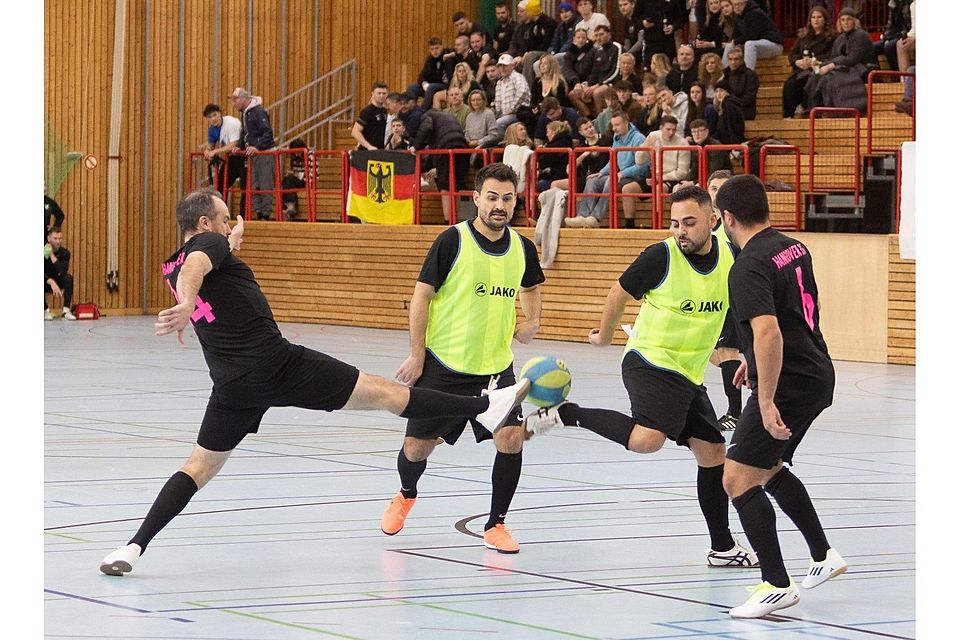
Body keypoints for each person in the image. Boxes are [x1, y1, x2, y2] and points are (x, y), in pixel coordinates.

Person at [98, 189, 531, 576]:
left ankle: (133, 547)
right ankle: (484, 407)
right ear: (206, 224)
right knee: (387, 393)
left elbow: (198, 264)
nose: (231, 225)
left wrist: (207, 272)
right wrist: (193, 291)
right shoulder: (204, 249)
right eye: (226, 218)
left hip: (233, 388)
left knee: (196, 469)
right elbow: (200, 261)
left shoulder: (173, 264)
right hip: (282, 366)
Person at [526, 186, 758, 570]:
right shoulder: (661, 256)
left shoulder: (731, 255)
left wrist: (746, 353)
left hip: (686, 372)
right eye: (674, 223)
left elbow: (743, 308)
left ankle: (722, 547)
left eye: (689, 223)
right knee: (648, 441)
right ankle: (570, 414)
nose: (680, 231)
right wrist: (603, 335)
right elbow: (618, 293)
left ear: (713, 221)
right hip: (649, 361)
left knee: (713, 453)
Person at [384, 163, 545, 554]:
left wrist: (533, 320)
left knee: (510, 441)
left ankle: (496, 524)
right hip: (444, 366)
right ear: (476, 199)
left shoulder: (522, 247)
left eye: (507, 198)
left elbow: (532, 284)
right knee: (417, 449)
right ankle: (406, 493)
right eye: (491, 197)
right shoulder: (452, 240)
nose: (499, 205)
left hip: (496, 370)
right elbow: (421, 296)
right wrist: (417, 355)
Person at [715, 173, 847, 618]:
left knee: (736, 478)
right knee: (768, 467)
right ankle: (823, 555)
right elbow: (792, 313)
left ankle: (775, 583)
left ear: (727, 218)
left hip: (789, 383)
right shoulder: (793, 246)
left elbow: (769, 330)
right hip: (814, 371)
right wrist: (751, 358)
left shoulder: (747, 265)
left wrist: (766, 399)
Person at [704, 170, 740, 430]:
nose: (717, 193)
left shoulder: (735, 224)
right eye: (713, 188)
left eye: (723, 188)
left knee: (728, 353)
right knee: (717, 355)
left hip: (734, 299)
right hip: (716, 301)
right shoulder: (711, 224)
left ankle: (735, 413)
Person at [567, 111, 644, 227]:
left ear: (626, 123)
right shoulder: (616, 138)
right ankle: (582, 216)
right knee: (592, 180)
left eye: (617, 125)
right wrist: (601, 172)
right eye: (613, 125)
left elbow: (643, 166)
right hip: (621, 175)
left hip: (635, 176)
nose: (614, 129)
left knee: (611, 180)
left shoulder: (639, 139)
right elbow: (613, 160)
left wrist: (622, 173)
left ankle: (595, 218)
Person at [622, 114, 690, 225]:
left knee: (659, 188)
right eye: (668, 129)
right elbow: (639, 161)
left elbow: (682, 172)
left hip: (671, 178)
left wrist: (660, 178)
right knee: (627, 189)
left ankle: (658, 224)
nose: (671, 133)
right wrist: (645, 146)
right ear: (661, 128)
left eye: (674, 130)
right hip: (653, 176)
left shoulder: (682, 143)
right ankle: (629, 225)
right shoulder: (653, 136)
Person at [803, 8, 873, 114]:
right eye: (843, 20)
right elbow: (834, 58)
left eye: (848, 19)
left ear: (855, 21)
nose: (845, 23)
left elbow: (852, 58)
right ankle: (813, 109)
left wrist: (830, 66)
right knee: (815, 74)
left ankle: (832, 111)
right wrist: (821, 64)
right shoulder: (840, 38)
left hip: (862, 68)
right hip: (843, 67)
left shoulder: (861, 35)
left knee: (828, 77)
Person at [227, 87, 277, 221]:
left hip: (264, 153)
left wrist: (257, 146)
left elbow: (268, 133)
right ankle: (259, 212)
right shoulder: (246, 113)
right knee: (254, 184)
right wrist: (239, 146)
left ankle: (265, 214)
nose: (234, 103)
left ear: (244, 98)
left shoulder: (258, 112)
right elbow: (245, 132)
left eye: (236, 100)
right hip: (253, 154)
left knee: (265, 183)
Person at [413, 108, 470, 223]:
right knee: (456, 186)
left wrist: (415, 147)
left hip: (446, 148)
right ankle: (455, 219)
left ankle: (447, 221)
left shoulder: (427, 115)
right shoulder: (447, 117)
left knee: (445, 186)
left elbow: (426, 128)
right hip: (463, 148)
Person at [782, 6, 836, 118]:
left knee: (808, 81)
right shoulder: (804, 36)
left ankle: (805, 109)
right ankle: (788, 115)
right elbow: (793, 53)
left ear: (825, 19)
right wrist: (797, 61)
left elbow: (831, 55)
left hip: (818, 69)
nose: (816, 20)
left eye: (819, 17)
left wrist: (814, 60)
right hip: (801, 69)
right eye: (813, 17)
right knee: (789, 84)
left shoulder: (831, 37)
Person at [568, 24, 621, 117]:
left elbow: (616, 71)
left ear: (609, 34)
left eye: (601, 34)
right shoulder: (599, 51)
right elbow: (594, 72)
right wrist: (587, 83)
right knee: (573, 94)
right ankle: (588, 117)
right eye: (596, 36)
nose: (598, 38)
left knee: (597, 93)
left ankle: (601, 120)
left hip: (613, 82)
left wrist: (598, 84)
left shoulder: (616, 47)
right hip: (598, 83)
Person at [201, 104, 244, 206]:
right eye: (210, 117)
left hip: (243, 155)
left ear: (220, 113)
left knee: (244, 187)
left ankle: (243, 216)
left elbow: (234, 144)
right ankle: (219, 211)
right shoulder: (212, 129)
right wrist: (207, 151)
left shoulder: (231, 122)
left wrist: (215, 151)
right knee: (220, 184)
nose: (213, 119)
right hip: (232, 157)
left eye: (215, 115)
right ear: (207, 119)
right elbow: (211, 144)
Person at [722, 0, 783, 70]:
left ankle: (748, 75)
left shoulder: (755, 13)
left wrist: (735, 41)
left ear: (746, 3)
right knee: (730, 46)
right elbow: (735, 35)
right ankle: (724, 76)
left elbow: (752, 36)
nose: (737, 7)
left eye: (739, 4)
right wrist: (731, 43)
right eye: (735, 5)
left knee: (749, 44)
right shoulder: (738, 17)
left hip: (773, 45)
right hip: (756, 47)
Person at [493, 54, 532, 139]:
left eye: (505, 66)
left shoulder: (517, 77)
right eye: (500, 66)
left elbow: (522, 91)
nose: (502, 69)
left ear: (512, 66)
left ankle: (505, 144)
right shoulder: (499, 82)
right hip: (504, 114)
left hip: (518, 113)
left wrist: (511, 109)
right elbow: (498, 103)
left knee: (499, 123)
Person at [44, 226, 75, 321]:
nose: (58, 241)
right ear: (48, 239)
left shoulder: (65, 253)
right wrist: (49, 281)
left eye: (60, 239)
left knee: (68, 278)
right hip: (46, 282)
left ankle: (66, 311)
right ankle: (45, 311)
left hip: (58, 282)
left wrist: (51, 255)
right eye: (55, 238)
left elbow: (62, 271)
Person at [409, 37, 449, 111]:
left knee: (431, 87)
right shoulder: (430, 60)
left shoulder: (448, 55)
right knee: (412, 87)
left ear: (442, 47)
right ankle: (411, 110)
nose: (435, 51)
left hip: (446, 85)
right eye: (432, 49)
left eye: (437, 48)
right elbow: (421, 76)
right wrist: (424, 83)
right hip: (432, 87)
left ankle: (422, 111)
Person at [723, 45, 760, 120]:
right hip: (728, 109)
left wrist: (732, 101)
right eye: (730, 59)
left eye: (736, 59)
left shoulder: (750, 75)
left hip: (745, 110)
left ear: (741, 60)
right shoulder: (724, 75)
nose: (733, 62)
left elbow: (749, 97)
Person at [875, 0, 913, 72]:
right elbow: (890, 25)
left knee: (889, 47)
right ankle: (878, 77)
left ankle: (896, 75)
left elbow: (911, 27)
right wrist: (886, 37)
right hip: (895, 34)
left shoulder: (911, 3)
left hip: (908, 34)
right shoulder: (893, 3)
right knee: (873, 47)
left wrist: (893, 37)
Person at [352, 81, 390, 151]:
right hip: (367, 152)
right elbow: (355, 132)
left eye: (384, 93)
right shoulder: (367, 111)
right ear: (373, 94)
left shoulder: (384, 111)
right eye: (379, 93)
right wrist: (368, 146)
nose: (381, 96)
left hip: (379, 151)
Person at [279, 137, 309, 220]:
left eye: (297, 152)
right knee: (286, 181)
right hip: (295, 179)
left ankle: (289, 206)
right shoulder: (294, 155)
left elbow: (312, 173)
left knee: (288, 180)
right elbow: (293, 169)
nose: (296, 154)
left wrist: (295, 174)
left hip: (305, 181)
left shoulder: (309, 154)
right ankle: (290, 208)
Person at [713, 79, 746, 144]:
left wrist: (734, 145)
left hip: (730, 143)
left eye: (721, 91)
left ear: (728, 92)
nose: (719, 94)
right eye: (716, 91)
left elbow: (731, 126)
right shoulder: (723, 105)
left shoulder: (729, 104)